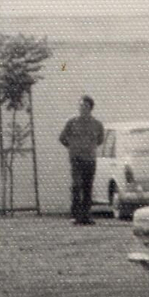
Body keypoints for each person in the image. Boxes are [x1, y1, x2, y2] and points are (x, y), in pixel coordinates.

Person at [59, 95, 105, 225]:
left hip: (90, 159)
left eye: (85, 106)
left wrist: (88, 147)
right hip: (76, 158)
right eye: (80, 106)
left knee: (87, 187)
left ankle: (86, 215)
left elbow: (100, 140)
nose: (82, 109)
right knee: (76, 185)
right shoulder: (72, 122)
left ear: (90, 108)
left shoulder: (97, 124)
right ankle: (75, 215)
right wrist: (73, 147)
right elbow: (62, 138)